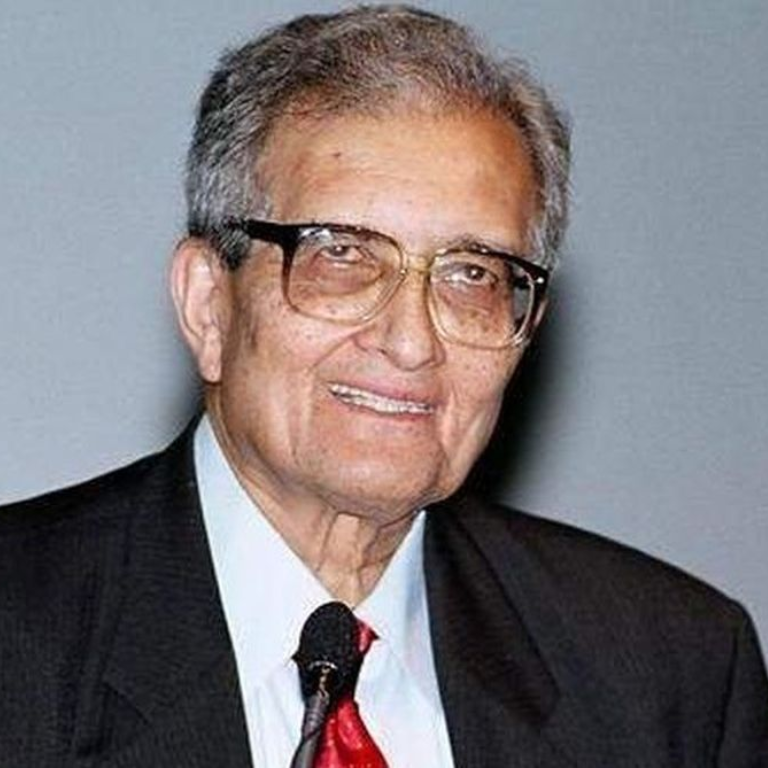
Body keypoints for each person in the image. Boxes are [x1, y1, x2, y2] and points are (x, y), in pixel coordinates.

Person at [1, 5, 766, 767]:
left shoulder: (671, 671)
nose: (410, 342)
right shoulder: (22, 639)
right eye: (341, 255)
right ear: (208, 304)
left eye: (472, 275)